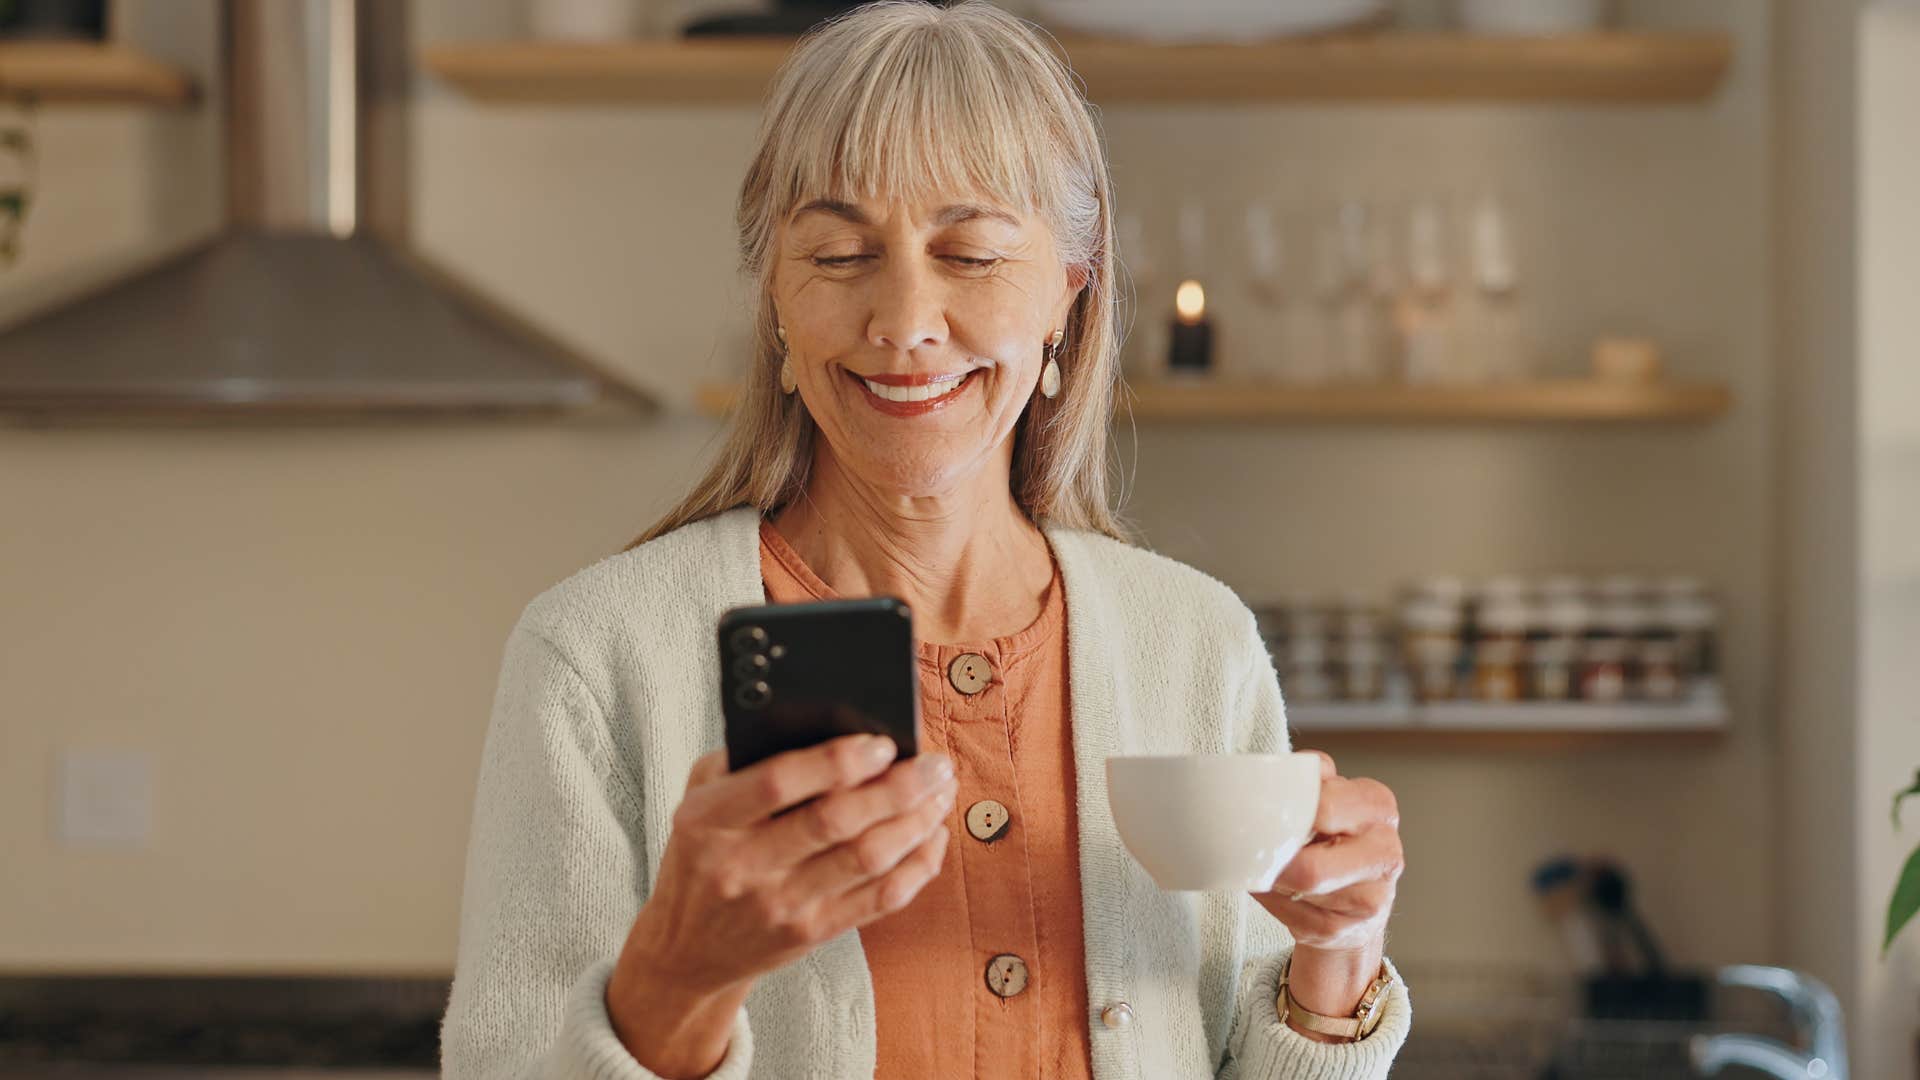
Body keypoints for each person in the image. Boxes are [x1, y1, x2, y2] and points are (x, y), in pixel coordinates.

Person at [439, 2, 1412, 1077]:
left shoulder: (1194, 642)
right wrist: (682, 975)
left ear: (1067, 300)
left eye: (972, 253)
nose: (905, 319)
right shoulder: (596, 655)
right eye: (841, 254)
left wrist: (1338, 954)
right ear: (777, 303)